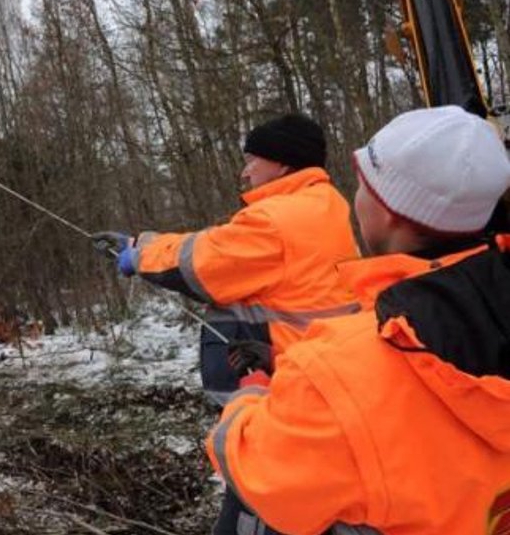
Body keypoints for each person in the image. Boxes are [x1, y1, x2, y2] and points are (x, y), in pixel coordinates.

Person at [206, 106, 510, 534]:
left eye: (364, 183)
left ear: (386, 210)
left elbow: (260, 476)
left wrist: (251, 395)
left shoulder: (336, 372)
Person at [95, 114, 360, 534]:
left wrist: (138, 255)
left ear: (283, 164)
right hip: (325, 383)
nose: (245, 170)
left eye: (253, 159)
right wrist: (140, 244)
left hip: (284, 393)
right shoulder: (328, 205)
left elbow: (201, 261)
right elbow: (219, 247)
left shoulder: (276, 219)